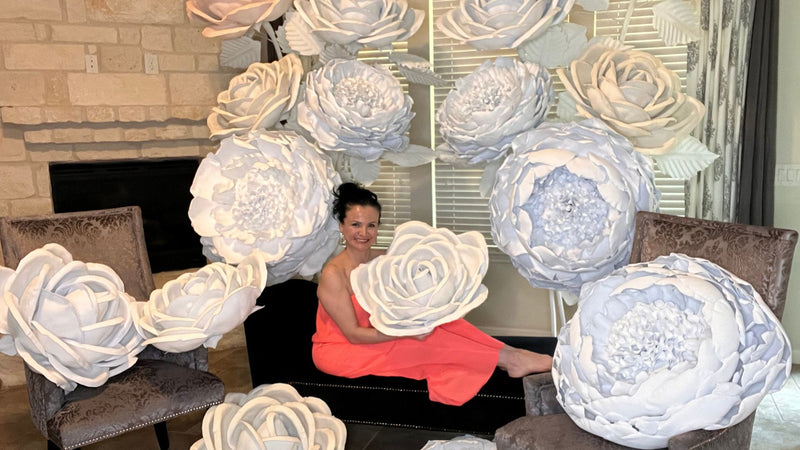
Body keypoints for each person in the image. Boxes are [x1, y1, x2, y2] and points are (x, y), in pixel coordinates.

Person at [311, 182, 553, 406]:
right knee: (425, 339)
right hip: (341, 349)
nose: (364, 232)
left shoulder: (384, 259)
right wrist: (406, 331)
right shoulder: (334, 274)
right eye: (355, 224)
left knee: (447, 323)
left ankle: (513, 353)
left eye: (371, 225)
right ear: (342, 226)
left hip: (377, 333)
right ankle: (509, 360)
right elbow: (353, 335)